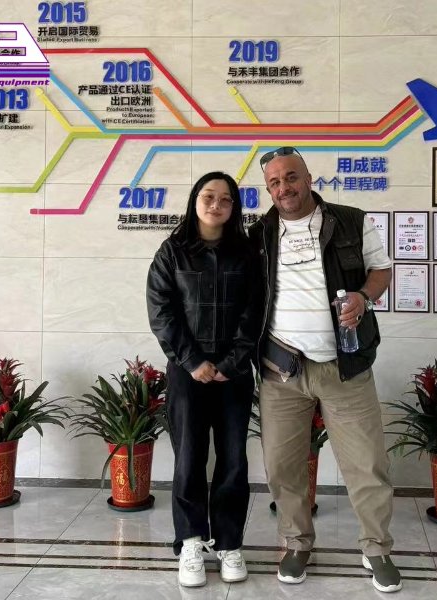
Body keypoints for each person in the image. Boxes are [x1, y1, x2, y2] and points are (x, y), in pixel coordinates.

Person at [248, 147, 402, 593]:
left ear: (309, 178)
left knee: (367, 464)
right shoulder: (259, 234)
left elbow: (381, 270)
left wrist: (363, 298)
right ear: (268, 190)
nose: (284, 188)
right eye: (275, 182)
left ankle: (377, 549)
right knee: (282, 466)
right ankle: (297, 544)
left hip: (344, 366)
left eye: (291, 177)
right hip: (280, 370)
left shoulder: (350, 221)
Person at [147, 171, 260, 588]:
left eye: (225, 199)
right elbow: (161, 311)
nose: (216, 205)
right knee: (189, 457)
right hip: (186, 373)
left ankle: (229, 543)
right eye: (209, 196)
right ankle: (191, 541)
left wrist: (232, 362)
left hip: (234, 374)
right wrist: (193, 361)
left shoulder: (247, 254)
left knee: (233, 459)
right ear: (195, 200)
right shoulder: (172, 251)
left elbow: (256, 311)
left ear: (234, 208)